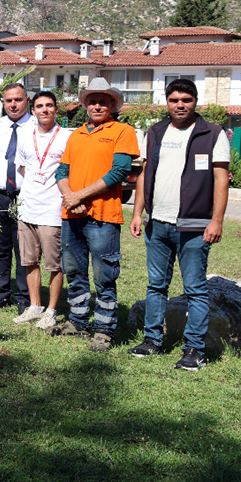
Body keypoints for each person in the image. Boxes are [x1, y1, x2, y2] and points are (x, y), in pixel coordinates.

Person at [128, 78, 229, 371]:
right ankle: (152, 341)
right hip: (158, 222)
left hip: (195, 225)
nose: (180, 105)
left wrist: (217, 221)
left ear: (195, 102)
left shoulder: (213, 134)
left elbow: (221, 179)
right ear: (167, 102)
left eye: (186, 100)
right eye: (174, 100)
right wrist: (138, 213)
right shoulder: (156, 132)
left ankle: (194, 350)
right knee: (156, 285)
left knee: (195, 289)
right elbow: (145, 174)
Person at [51, 77, 139, 352]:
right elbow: (61, 172)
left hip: (103, 216)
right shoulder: (75, 134)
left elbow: (119, 173)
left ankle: (104, 329)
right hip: (72, 214)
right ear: (85, 104)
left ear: (113, 105)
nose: (98, 105)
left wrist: (80, 196)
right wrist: (70, 197)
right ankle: (78, 321)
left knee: (104, 275)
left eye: (104, 101)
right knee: (74, 271)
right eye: (93, 101)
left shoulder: (123, 132)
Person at [12, 91, 72, 330]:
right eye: (39, 106)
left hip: (53, 209)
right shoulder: (25, 135)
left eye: (49, 105)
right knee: (29, 260)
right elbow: (23, 167)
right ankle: (35, 307)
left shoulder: (66, 137)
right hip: (27, 208)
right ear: (32, 109)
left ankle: (52, 310)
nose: (44, 110)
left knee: (54, 264)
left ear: (56, 109)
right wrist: (35, 185)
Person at [0, 83, 33, 311]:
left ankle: (24, 297)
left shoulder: (36, 127)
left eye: (18, 100)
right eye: (9, 100)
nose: (13, 104)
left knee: (24, 248)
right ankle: (0, 293)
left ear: (27, 101)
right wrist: (2, 177)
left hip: (25, 196)